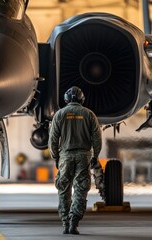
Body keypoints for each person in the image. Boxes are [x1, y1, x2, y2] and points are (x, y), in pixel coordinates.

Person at [48, 86, 102, 235]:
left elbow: (52, 140)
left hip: (65, 156)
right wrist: (95, 156)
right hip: (84, 156)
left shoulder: (60, 114)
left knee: (63, 189)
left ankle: (65, 223)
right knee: (80, 189)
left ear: (66, 99)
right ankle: (74, 222)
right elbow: (97, 138)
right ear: (82, 99)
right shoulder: (89, 114)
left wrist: (56, 158)